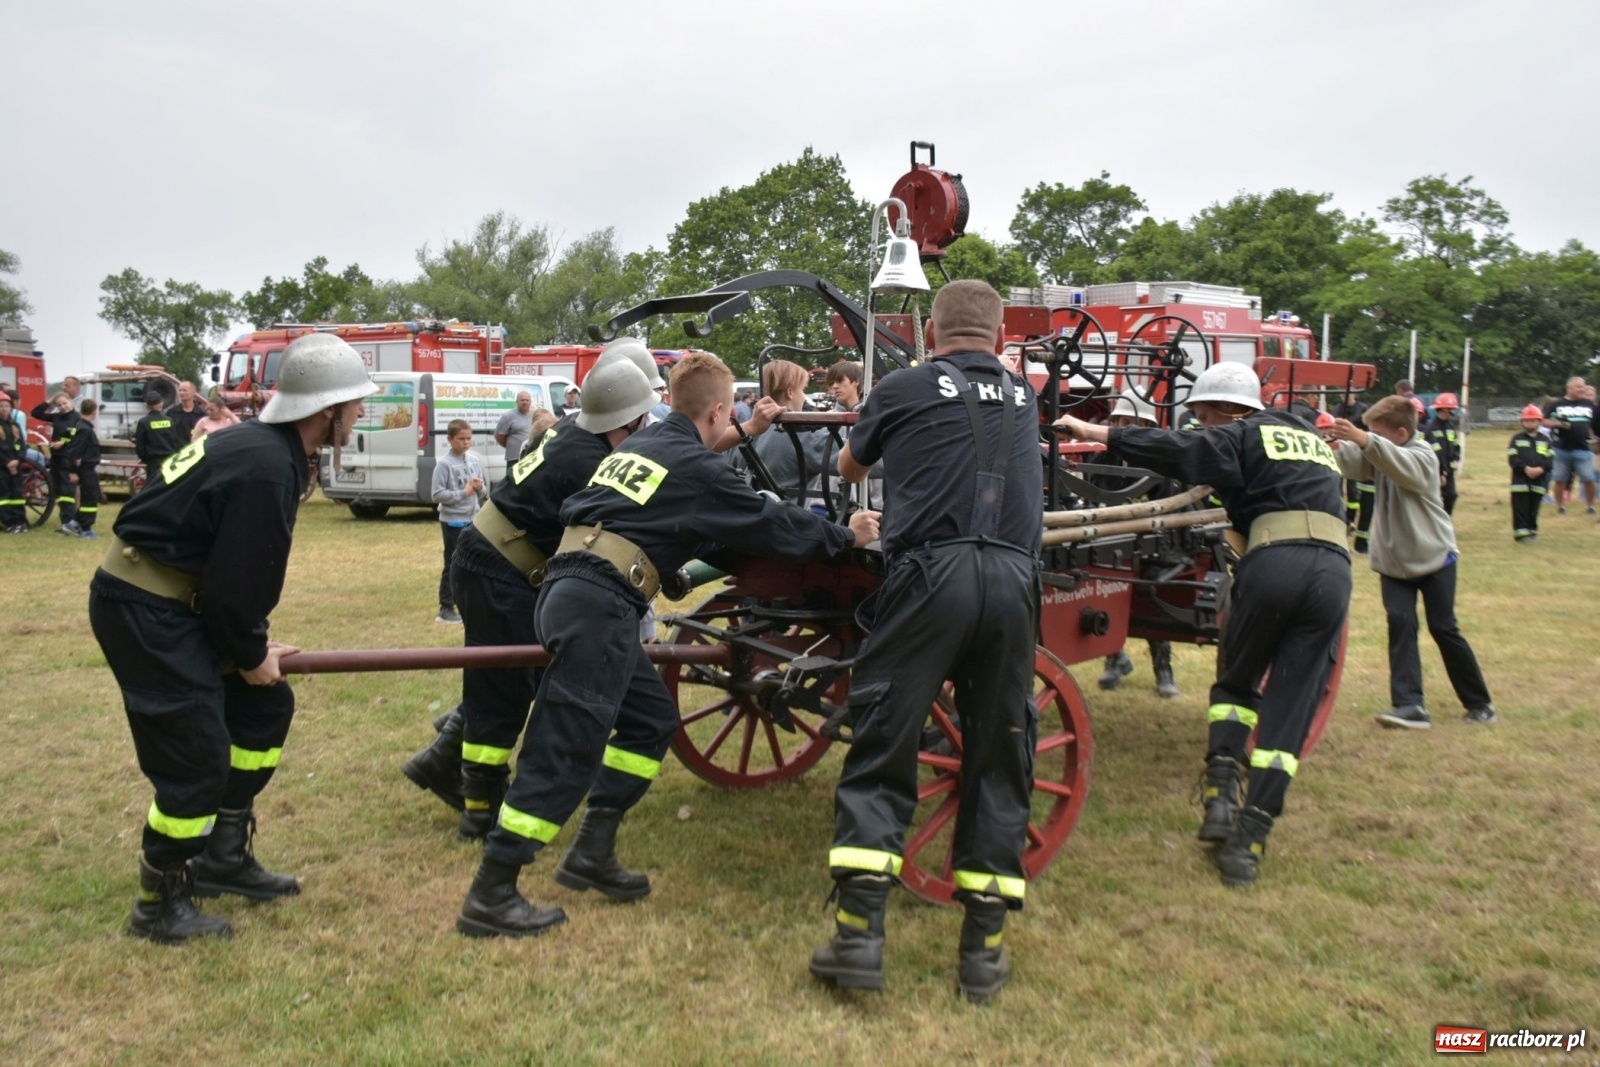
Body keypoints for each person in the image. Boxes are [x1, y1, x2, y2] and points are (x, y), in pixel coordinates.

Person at [456, 352, 878, 940]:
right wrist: (843, 535)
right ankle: (492, 892)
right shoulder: (695, 468)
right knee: (566, 741)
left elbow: (682, 527)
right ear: (716, 412)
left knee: (650, 720)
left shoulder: (638, 451)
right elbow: (766, 522)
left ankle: (592, 851)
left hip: (568, 590)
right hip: (596, 607)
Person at [88, 332, 376, 944]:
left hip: (175, 601)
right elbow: (236, 585)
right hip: (146, 607)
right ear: (327, 412)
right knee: (195, 756)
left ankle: (222, 857)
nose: (359, 415)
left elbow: (232, 575)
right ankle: (157, 900)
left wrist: (250, 651)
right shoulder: (268, 468)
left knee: (263, 707)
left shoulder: (264, 450)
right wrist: (247, 653)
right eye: (355, 405)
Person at [809, 280, 1039, 1004]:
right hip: (1013, 577)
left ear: (932, 333)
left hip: (928, 574)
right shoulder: (1029, 398)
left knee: (885, 734)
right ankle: (983, 952)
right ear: (1000, 338)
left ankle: (858, 938)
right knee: (1001, 748)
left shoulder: (904, 387)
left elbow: (851, 468)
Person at [1055, 360, 1351, 888]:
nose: (1200, 422)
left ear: (1229, 409)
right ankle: (1249, 841)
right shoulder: (1306, 438)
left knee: (1236, 686)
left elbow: (1176, 450)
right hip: (1333, 572)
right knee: (1287, 714)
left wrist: (1092, 430)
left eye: (1203, 413)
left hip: (1273, 563)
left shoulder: (1240, 435)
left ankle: (1218, 802)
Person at [401, 357, 659, 840]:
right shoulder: (593, 462)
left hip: (493, 558)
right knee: (500, 694)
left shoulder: (571, 432)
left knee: (505, 682)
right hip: (500, 569)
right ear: (628, 421)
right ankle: (477, 810)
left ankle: (447, 769)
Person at [1329, 397, 1496, 728]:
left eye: (1377, 432)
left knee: (1444, 628)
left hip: (1435, 557)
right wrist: (1332, 446)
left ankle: (1480, 703)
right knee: (1400, 625)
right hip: (1394, 562)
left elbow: (1402, 468)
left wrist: (1364, 439)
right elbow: (1353, 463)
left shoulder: (1423, 457)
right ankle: (1410, 706)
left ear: (1402, 433)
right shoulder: (1381, 452)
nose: (1370, 436)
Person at [1095, 391, 1179, 699]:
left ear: (1144, 424)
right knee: (1097, 584)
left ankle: (1164, 670)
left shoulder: (1164, 460)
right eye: (1115, 420)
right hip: (1112, 543)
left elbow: (1169, 508)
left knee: (1151, 594)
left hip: (1155, 545)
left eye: (1125, 421)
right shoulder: (1104, 457)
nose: (1117, 426)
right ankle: (1116, 659)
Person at [749, 359, 839, 510]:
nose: (804, 397)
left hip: (753, 521)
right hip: (794, 524)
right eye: (802, 390)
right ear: (790, 392)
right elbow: (861, 459)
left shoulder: (745, 433)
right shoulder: (804, 435)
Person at [431, 419, 487, 624]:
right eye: (461, 439)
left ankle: (468, 603)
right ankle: (445, 607)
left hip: (472, 519)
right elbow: (437, 494)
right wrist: (463, 493)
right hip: (453, 521)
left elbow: (484, 491)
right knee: (452, 563)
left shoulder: (473, 460)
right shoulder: (444, 464)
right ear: (450, 439)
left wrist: (480, 488)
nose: (465, 442)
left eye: (469, 438)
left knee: (473, 563)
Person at [31, 392, 92, 535]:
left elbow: (79, 439)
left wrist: (63, 442)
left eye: (65, 403)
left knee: (66, 492)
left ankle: (69, 523)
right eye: (59, 405)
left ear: (71, 402)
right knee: (58, 491)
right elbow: (36, 412)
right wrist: (50, 401)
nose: (63, 407)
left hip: (68, 458)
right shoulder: (57, 417)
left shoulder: (77, 419)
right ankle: (66, 523)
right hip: (56, 457)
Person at [1542, 377, 1597, 515]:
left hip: (1583, 448)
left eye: (1583, 387)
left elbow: (1597, 422)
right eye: (1578, 387)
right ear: (1569, 388)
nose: (1582, 389)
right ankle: (1560, 506)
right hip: (1561, 448)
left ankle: (1590, 506)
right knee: (1560, 479)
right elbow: (1544, 421)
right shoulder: (1558, 404)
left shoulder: (1588, 404)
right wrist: (1558, 424)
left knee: (1589, 479)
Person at [1507, 404, 1553, 542]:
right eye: (1527, 420)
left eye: (1533, 420)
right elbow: (1513, 458)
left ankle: (1532, 531)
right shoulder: (1517, 439)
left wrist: (1541, 469)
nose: (1530, 423)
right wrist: (1525, 469)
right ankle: (1521, 534)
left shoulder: (1545, 440)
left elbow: (1549, 459)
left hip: (1539, 481)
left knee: (1534, 508)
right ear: (1522, 422)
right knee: (1521, 508)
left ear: (1539, 421)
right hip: (1520, 482)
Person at [134, 381, 185, 480]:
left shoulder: (143, 422)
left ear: (147, 405)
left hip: (153, 461)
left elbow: (140, 446)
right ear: (161, 403)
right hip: (169, 459)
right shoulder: (169, 421)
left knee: (153, 487)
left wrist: (146, 459)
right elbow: (176, 441)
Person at [1421, 392, 1462, 515]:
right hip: (1435, 471)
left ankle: (1445, 521)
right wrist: (1440, 473)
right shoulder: (1431, 428)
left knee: (1451, 496)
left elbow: (1455, 445)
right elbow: (1434, 453)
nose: (1453, 411)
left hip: (1448, 471)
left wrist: (1456, 458)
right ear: (1444, 409)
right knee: (1434, 500)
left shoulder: (1450, 426)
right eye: (1452, 408)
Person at [71, 398, 103, 539]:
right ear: (94, 411)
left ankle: (75, 523)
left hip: (86, 468)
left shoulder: (80, 426)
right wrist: (73, 471)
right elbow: (77, 452)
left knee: (88, 497)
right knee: (90, 499)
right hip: (86, 469)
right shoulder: (84, 429)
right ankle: (86, 529)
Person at [0, 391, 27, 533]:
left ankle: (20, 521)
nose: (4, 409)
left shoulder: (14, 425)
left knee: (17, 494)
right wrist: (7, 463)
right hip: (2, 468)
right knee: (4, 496)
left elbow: (22, 445)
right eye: (1, 406)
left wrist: (18, 460)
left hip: (16, 466)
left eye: (6, 406)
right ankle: (9, 522)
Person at [493, 391, 534, 475]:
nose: (525, 402)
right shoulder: (508, 416)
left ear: (530, 402)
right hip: (514, 458)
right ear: (516, 402)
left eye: (527, 400)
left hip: (530, 457)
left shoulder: (534, 415)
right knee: (513, 483)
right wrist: (511, 446)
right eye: (522, 400)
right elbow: (499, 436)